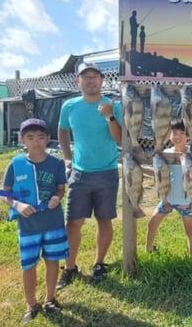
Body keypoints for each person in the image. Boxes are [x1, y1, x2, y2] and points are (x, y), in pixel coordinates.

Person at [56, 62, 122, 289]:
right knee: (72, 223)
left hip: (107, 172)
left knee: (104, 220)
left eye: (95, 76)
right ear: (78, 81)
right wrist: (67, 157)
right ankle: (70, 267)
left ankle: (99, 264)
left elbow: (119, 139)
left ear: (102, 80)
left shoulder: (113, 105)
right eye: (86, 77)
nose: (91, 80)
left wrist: (110, 116)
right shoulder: (69, 106)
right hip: (80, 173)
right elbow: (62, 130)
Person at [1, 118, 68, 324]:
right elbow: (5, 193)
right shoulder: (16, 164)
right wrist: (17, 206)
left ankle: (49, 299)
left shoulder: (56, 164)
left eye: (41, 137)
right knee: (28, 265)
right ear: (22, 140)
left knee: (52, 261)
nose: (36, 142)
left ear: (48, 138)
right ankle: (31, 304)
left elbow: (60, 188)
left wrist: (57, 197)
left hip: (53, 224)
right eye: (30, 137)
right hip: (28, 227)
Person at [145, 119, 192, 254]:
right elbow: (157, 172)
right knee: (152, 224)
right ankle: (148, 249)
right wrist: (141, 170)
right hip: (168, 199)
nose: (177, 136)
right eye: (174, 133)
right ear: (169, 135)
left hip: (186, 201)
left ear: (188, 136)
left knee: (189, 231)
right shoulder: (166, 153)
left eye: (182, 133)